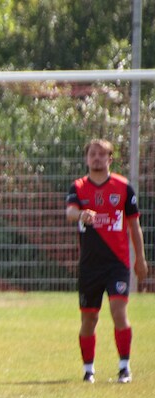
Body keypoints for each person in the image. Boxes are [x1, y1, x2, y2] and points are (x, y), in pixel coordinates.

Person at [65, 138, 147, 384]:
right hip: (89, 265)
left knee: (118, 311)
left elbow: (134, 225)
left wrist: (140, 259)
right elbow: (69, 213)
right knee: (89, 319)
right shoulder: (78, 187)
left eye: (102, 154)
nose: (96, 158)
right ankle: (88, 369)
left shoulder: (123, 187)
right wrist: (81, 214)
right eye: (92, 154)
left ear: (110, 158)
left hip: (117, 263)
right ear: (87, 158)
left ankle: (124, 367)